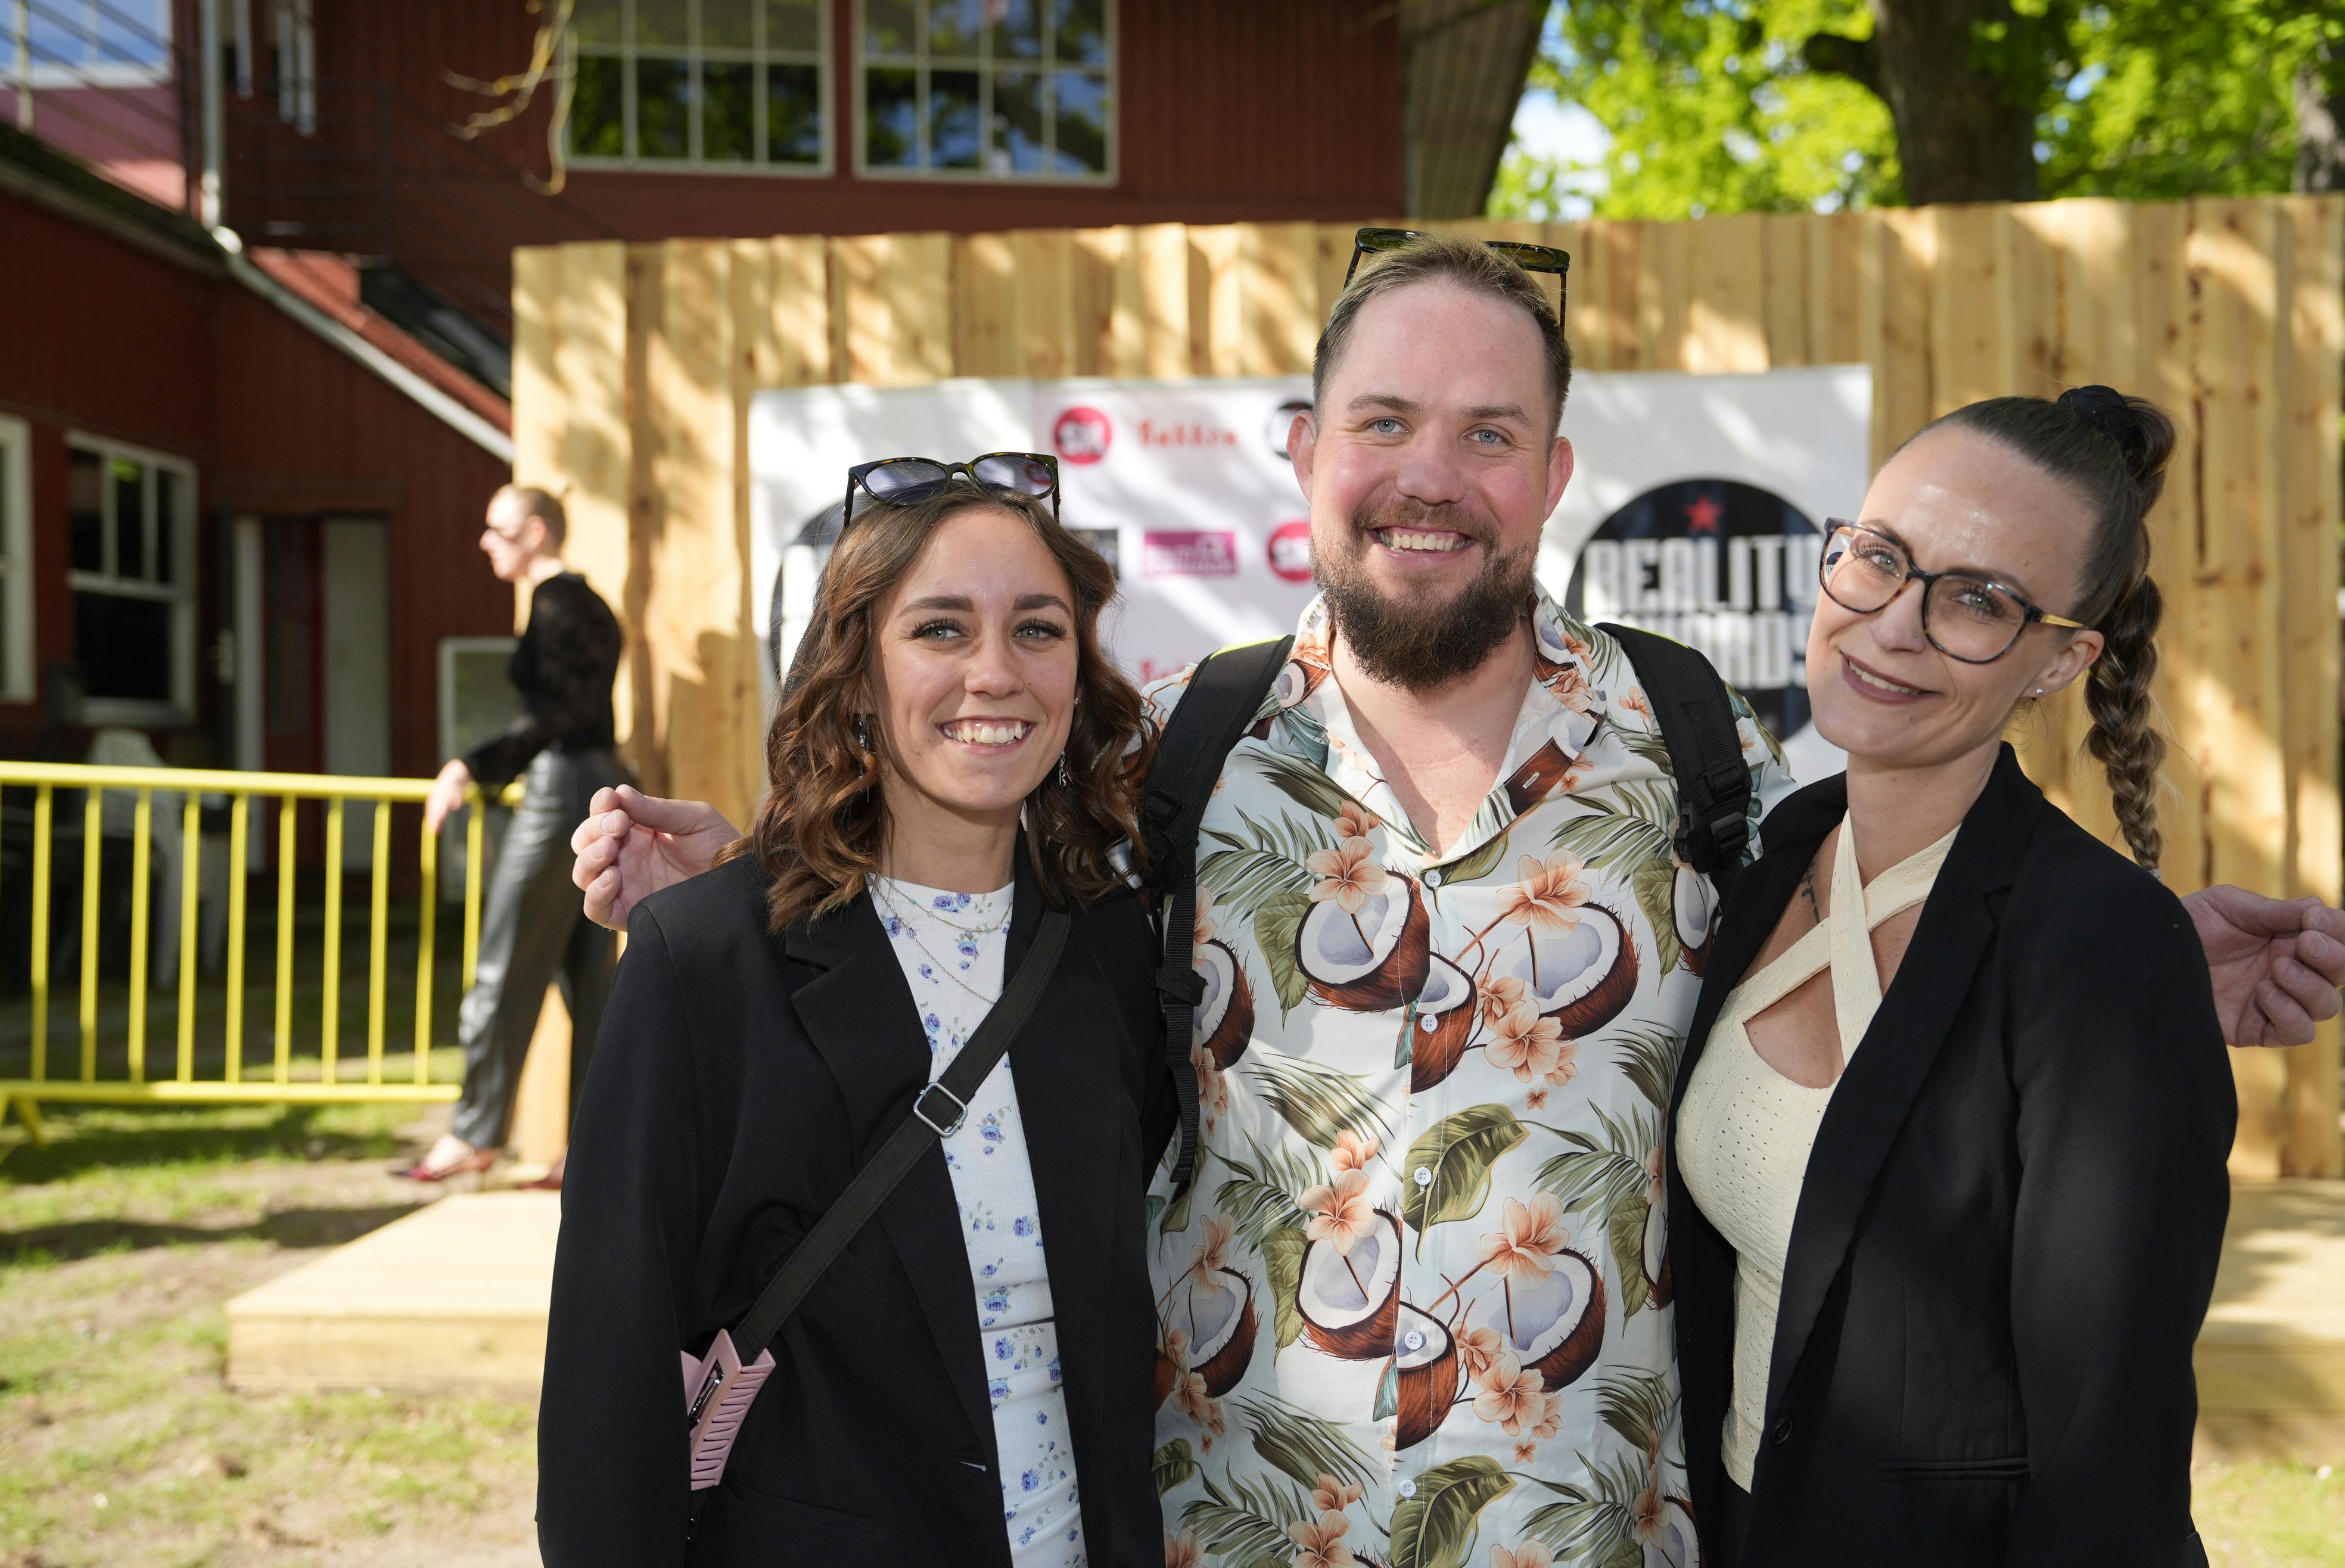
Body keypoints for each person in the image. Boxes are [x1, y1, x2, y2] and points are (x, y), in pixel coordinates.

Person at [565, 237, 2345, 1560]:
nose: (1431, 473)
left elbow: (1880, 948)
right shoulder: (1178, 757)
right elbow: (971, 922)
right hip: (1230, 1532)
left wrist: (2108, 960)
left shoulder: (1694, 742)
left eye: (1489, 432)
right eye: (1384, 420)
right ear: (1302, 449)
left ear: (1555, 476)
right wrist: (761, 878)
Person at [537, 466, 1171, 1566]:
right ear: (859, 672)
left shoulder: (1111, 947)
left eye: (1037, 628)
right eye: (938, 627)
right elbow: (609, 1377)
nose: (995, 672)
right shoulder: (706, 957)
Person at [1668, 388, 2231, 1565]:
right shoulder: (1762, 859)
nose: (1893, 623)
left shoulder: (2100, 947)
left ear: (2061, 659)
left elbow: (2109, 1455)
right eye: (1879, 557)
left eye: (1978, 598)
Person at [400, 485, 624, 1184]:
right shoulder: (581, 605)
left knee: (503, 963)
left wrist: (469, 765)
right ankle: (591, 1149)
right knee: (591, 981)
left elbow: (557, 714)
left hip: (563, 791)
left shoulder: (559, 604)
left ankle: (473, 1133)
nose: (483, 542)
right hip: (594, 782)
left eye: (494, 529)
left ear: (532, 532)